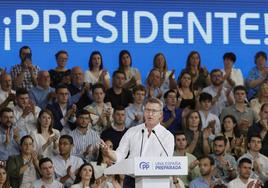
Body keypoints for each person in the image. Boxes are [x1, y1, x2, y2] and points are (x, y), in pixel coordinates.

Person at [101, 98, 174, 188]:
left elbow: (164, 163)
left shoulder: (167, 136)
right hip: (131, 181)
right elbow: (120, 155)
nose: (150, 114)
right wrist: (109, 153)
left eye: (154, 111)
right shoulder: (132, 131)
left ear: (161, 114)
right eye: (147, 110)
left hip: (154, 182)